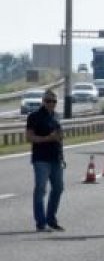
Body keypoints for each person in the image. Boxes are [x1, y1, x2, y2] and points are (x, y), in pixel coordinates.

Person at [25, 89, 65, 232]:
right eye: (48, 101)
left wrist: (60, 137)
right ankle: (41, 223)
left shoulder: (56, 116)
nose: (51, 104)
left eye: (54, 101)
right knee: (41, 189)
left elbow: (59, 136)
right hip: (41, 158)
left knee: (59, 188)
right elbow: (29, 137)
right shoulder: (34, 116)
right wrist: (47, 138)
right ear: (43, 101)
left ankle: (51, 219)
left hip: (56, 157)